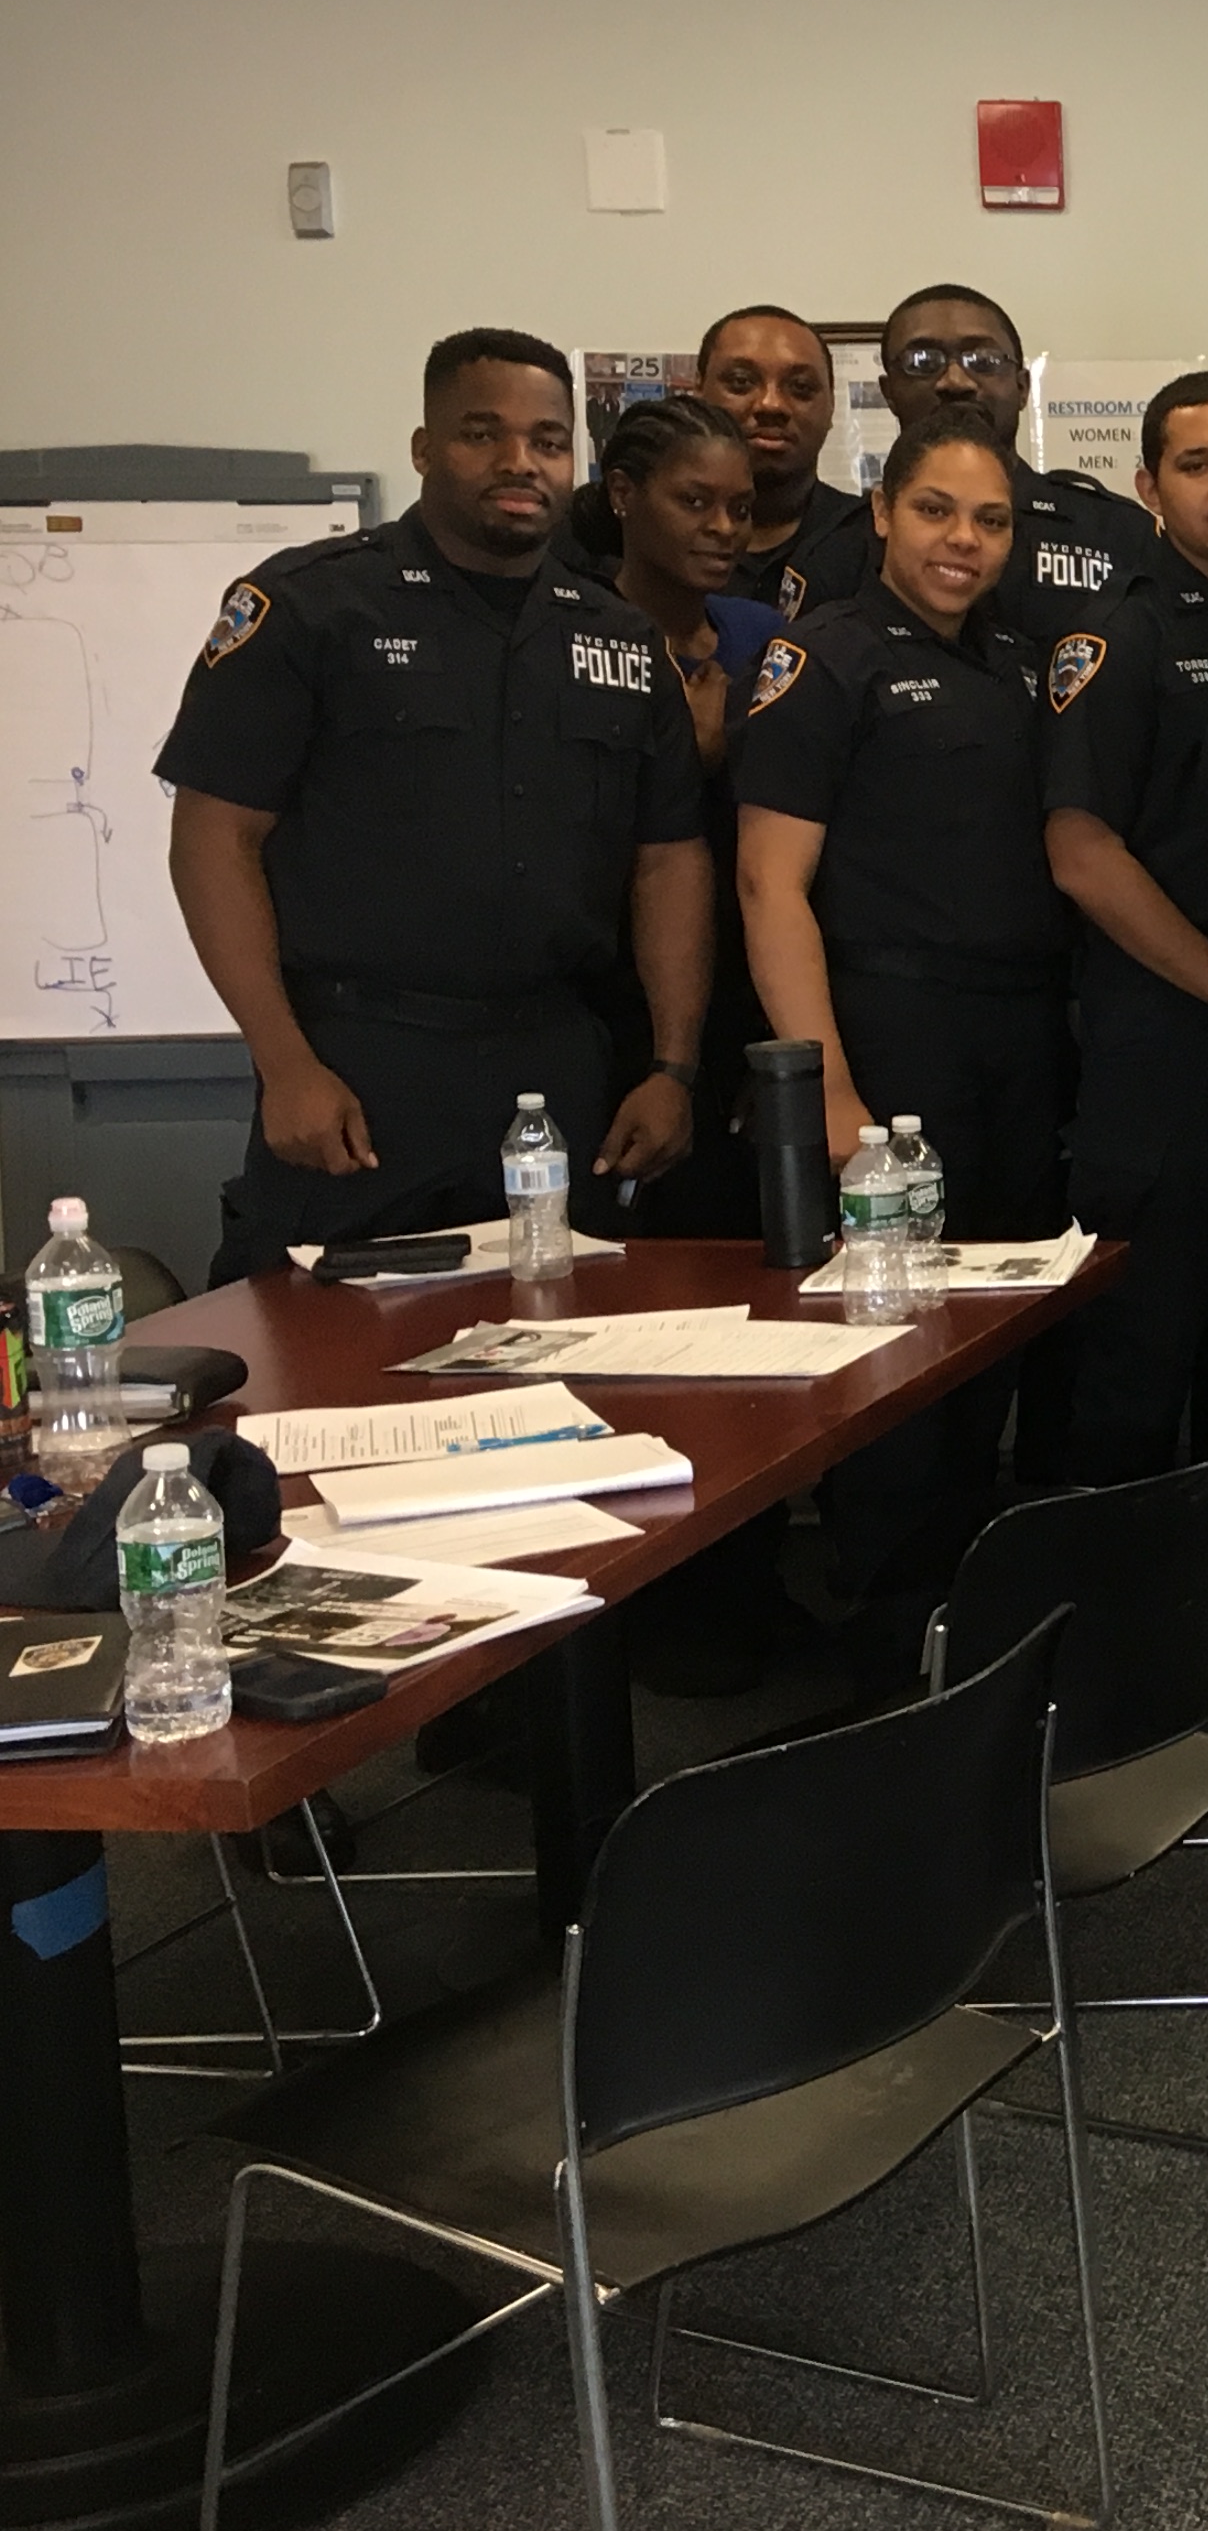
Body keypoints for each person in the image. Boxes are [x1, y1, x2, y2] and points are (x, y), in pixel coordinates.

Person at [160, 328, 707, 1282]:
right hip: (363, 1064)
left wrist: (671, 1067)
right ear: (423, 448)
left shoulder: (618, 638)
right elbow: (214, 839)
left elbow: (668, 859)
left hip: (557, 1064)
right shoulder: (313, 610)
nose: (518, 463)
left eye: (546, 440)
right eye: (481, 434)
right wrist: (284, 1062)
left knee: (562, 1355)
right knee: (326, 1362)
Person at [736, 408, 1072, 1644]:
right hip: (889, 1030)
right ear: (880, 511)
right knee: (892, 1352)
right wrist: (830, 1094)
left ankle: (962, 1622)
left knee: (988, 1335)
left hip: (1021, 1037)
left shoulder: (1022, 661)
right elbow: (769, 886)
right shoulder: (824, 659)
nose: (963, 540)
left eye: (991, 520)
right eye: (936, 510)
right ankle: (881, 1634)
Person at [1042, 370, 1208, 1483]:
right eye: (1197, 466)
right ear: (1149, 486)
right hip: (1167, 1043)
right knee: (1137, 1358)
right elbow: (1083, 855)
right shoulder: (1119, 637)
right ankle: (1114, 1643)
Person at [592, 390, 787, 1244]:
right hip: (612, 994)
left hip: (748, 990)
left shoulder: (760, 637)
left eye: (739, 509)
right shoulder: (580, 633)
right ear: (625, 495)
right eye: (695, 502)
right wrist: (684, 751)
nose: (723, 529)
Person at [817, 282, 1157, 645]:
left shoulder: (1117, 532)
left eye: (983, 361)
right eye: (922, 362)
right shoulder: (835, 551)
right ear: (889, 393)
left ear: (1023, 387)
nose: (955, 381)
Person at [694, 303, 868, 614]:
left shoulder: (871, 540)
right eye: (741, 383)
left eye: (800, 387)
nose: (771, 405)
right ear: (698, 394)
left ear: (831, 406)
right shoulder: (644, 537)